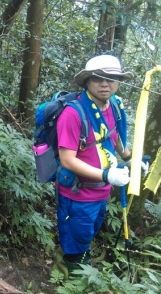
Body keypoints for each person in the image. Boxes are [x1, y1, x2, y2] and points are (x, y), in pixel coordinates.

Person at [54, 55, 139, 276]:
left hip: (101, 191)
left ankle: (80, 263)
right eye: (98, 78)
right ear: (87, 81)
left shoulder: (114, 107)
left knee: (87, 233)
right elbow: (67, 159)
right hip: (78, 193)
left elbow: (114, 137)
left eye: (111, 78)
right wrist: (106, 174)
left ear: (119, 81)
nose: (105, 83)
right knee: (76, 237)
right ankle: (69, 277)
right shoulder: (73, 113)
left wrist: (131, 159)